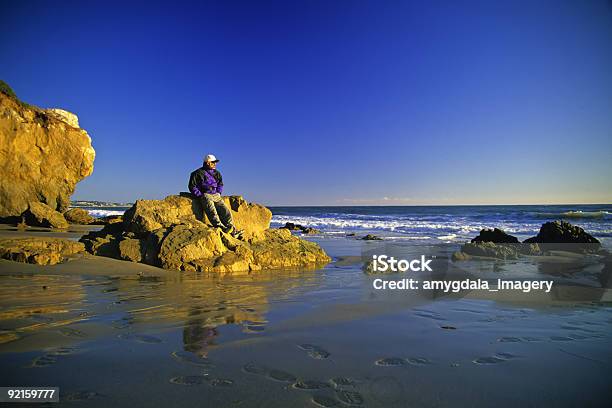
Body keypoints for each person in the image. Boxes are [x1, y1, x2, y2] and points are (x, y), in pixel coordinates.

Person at [188, 154, 243, 239]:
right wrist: (200, 195)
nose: (215, 164)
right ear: (207, 162)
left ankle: (232, 230)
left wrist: (218, 193)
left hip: (216, 195)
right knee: (212, 212)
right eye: (213, 162)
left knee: (226, 212)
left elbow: (220, 184)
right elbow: (192, 186)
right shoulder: (197, 173)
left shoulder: (217, 173)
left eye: (215, 162)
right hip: (206, 195)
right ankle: (221, 228)